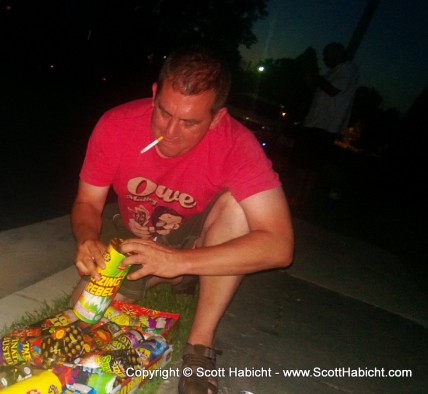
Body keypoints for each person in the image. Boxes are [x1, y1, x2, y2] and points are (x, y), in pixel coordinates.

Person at [69, 45, 294, 394]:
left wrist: (178, 259)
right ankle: (172, 277)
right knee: (84, 314)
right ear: (155, 93)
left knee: (238, 208)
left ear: (217, 117)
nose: (170, 132)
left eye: (189, 122)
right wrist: (86, 238)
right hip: (132, 231)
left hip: (196, 237)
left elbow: (280, 246)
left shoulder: (237, 145)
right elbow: (87, 202)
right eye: (164, 112)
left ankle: (199, 345)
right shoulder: (116, 124)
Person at [289, 42, 359, 208]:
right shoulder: (333, 71)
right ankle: (298, 198)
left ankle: (302, 200)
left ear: (338, 53)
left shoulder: (348, 69)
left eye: (327, 55)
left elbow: (332, 90)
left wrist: (315, 73)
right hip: (316, 123)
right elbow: (319, 92)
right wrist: (309, 76)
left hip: (326, 126)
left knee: (311, 166)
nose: (325, 59)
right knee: (303, 164)